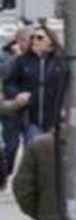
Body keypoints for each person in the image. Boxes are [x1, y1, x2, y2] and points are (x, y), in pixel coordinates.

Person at [7, 23, 66, 143]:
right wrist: (17, 94)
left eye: (39, 38)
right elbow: (10, 84)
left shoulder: (60, 62)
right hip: (31, 118)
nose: (34, 40)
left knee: (54, 155)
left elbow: (70, 88)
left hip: (56, 119)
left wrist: (66, 106)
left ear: (51, 42)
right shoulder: (22, 61)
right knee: (35, 146)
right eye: (32, 37)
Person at [0, 25, 30, 188]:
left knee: (31, 143)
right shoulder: (5, 56)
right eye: (24, 40)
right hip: (9, 108)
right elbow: (4, 73)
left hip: (29, 110)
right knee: (10, 146)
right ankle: (6, 174)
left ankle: (27, 178)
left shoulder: (35, 57)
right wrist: (17, 58)